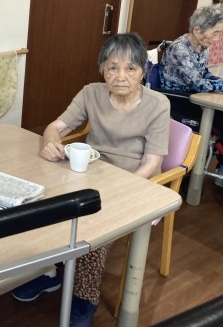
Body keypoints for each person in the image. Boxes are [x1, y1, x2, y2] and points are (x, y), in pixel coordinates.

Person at [12, 33, 170, 326]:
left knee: (93, 230)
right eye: (113, 67)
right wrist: (50, 142)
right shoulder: (91, 93)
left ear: (143, 72)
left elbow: (153, 163)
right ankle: (50, 271)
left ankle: (85, 298)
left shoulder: (158, 104)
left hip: (135, 183)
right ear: (102, 69)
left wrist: (119, 189)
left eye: (131, 68)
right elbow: (56, 126)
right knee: (43, 204)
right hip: (90, 175)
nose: (120, 76)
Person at [160, 5, 223, 93]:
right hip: (177, 97)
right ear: (197, 30)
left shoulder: (203, 47)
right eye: (215, 33)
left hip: (194, 95)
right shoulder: (179, 49)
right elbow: (196, 84)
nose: (216, 39)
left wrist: (220, 81)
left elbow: (204, 74)